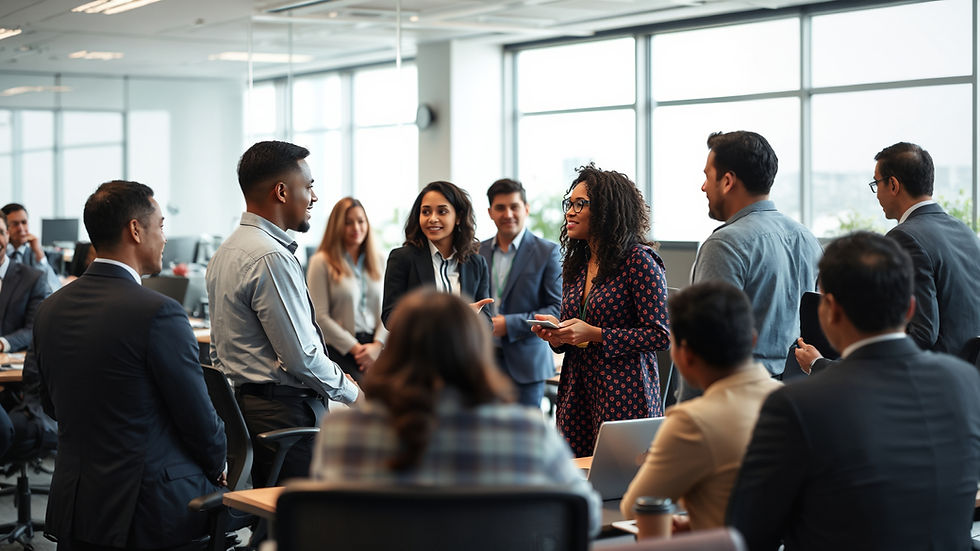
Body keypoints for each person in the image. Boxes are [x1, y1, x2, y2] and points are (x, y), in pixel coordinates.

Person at [727, 232, 980, 551]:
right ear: (911, 308)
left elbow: (750, 532)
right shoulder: (965, 381)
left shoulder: (796, 404)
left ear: (829, 309)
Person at [311, 289, 602, 536]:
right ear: (475, 354)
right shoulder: (526, 432)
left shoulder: (341, 432)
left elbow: (325, 528)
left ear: (395, 353)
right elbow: (586, 517)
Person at [34, 180, 226, 551]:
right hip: (147, 509)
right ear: (136, 230)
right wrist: (220, 464)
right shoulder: (159, 312)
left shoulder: (49, 309)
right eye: (161, 225)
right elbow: (199, 421)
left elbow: (51, 406)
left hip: (78, 506)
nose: (165, 238)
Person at [207, 140, 360, 487]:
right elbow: (301, 358)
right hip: (286, 419)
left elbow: (219, 351)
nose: (314, 198)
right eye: (308, 187)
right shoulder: (270, 257)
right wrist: (356, 397)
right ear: (281, 191)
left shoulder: (227, 251)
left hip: (251, 411)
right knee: (306, 528)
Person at [798, 142, 980, 374]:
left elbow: (922, 334)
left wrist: (824, 366)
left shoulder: (905, 237)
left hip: (924, 381)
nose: (877, 195)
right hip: (967, 377)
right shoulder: (964, 230)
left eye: (876, 183)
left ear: (893, 184)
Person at [532, 164, 670, 457]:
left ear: (607, 210)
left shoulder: (639, 261)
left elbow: (661, 336)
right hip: (578, 389)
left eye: (580, 204)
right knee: (576, 477)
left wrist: (595, 334)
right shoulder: (577, 264)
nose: (570, 211)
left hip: (625, 391)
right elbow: (577, 331)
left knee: (619, 483)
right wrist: (558, 335)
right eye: (569, 203)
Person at [620, 281, 781, 532]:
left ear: (685, 353)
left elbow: (636, 507)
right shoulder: (791, 401)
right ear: (752, 340)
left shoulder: (692, 422)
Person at [686, 131, 821, 390]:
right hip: (797, 394)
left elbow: (707, 346)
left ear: (727, 181)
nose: (703, 186)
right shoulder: (807, 238)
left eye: (707, 176)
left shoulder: (724, 245)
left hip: (740, 397)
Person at [478, 178, 561, 408]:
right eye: (500, 208)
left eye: (514, 206)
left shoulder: (548, 252)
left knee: (524, 438)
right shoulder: (476, 252)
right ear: (490, 212)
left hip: (527, 364)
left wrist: (509, 324)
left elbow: (555, 310)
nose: (508, 214)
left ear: (526, 208)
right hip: (483, 361)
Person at [382, 180, 492, 327]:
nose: (432, 219)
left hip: (463, 349)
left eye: (442, 211)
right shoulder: (402, 258)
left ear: (458, 217)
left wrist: (472, 317)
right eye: (426, 212)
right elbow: (390, 317)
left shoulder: (476, 263)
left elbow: (487, 323)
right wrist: (453, 317)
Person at [307, 197, 387, 383]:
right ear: (336, 226)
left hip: (376, 348)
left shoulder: (380, 260)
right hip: (341, 349)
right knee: (364, 401)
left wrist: (377, 345)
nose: (356, 228)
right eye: (348, 223)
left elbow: (388, 309)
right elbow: (320, 317)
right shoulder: (321, 262)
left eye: (361, 221)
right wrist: (358, 350)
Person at [0, 211, 50, 353]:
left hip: (10, 365)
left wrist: (2, 343)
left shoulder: (33, 278)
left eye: (0, 232)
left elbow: (34, 329)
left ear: (7, 235)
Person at [1, 203, 62, 292]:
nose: (21, 228)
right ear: (4, 228)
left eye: (24, 222)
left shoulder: (34, 253)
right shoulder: (2, 255)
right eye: (15, 224)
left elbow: (54, 289)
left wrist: (39, 254)